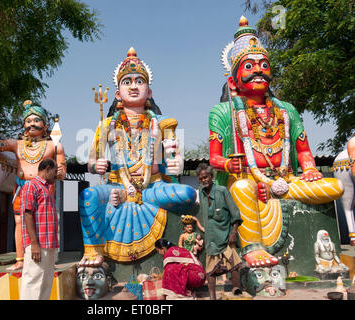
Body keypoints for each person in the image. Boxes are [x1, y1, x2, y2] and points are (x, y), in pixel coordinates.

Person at [209, 16, 343, 267]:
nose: (258, 70)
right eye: (248, 66)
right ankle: (252, 249)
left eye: (264, 65)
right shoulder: (223, 112)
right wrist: (229, 166)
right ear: (233, 81)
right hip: (249, 181)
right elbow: (214, 158)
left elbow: (304, 153)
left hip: (287, 180)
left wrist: (311, 169)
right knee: (240, 189)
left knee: (335, 187)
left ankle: (271, 193)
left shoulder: (287, 111)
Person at [79, 47, 196, 266]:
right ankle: (93, 251)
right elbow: (91, 163)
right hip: (116, 186)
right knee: (88, 197)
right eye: (127, 82)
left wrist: (173, 163)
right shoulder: (106, 125)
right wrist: (98, 165)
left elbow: (176, 163)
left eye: (139, 81)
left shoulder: (163, 123)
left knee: (187, 193)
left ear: (149, 92)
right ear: (118, 93)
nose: (133, 86)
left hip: (152, 187)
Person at [0, 100, 66, 269]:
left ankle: (48, 260)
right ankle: (20, 260)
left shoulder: (54, 146)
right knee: (19, 222)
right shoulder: (16, 144)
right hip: (22, 187)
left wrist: (60, 171)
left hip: (44, 188)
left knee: (45, 221)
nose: (32, 124)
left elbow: (62, 170)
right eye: (28, 120)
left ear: (45, 126)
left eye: (36, 120)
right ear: (23, 125)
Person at [197, 163, 243, 300]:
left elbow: (235, 213)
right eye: (201, 178)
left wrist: (234, 232)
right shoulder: (201, 191)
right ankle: (212, 297)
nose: (203, 180)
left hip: (226, 235)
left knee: (234, 264)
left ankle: (237, 290)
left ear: (211, 176)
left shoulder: (222, 191)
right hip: (211, 237)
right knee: (210, 271)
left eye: (205, 177)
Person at [19, 158, 59, 300]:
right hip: (38, 245)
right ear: (47, 169)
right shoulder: (31, 186)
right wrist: (34, 244)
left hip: (48, 244)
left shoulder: (46, 188)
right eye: (55, 171)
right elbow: (27, 214)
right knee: (33, 282)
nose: (56, 175)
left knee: (45, 282)